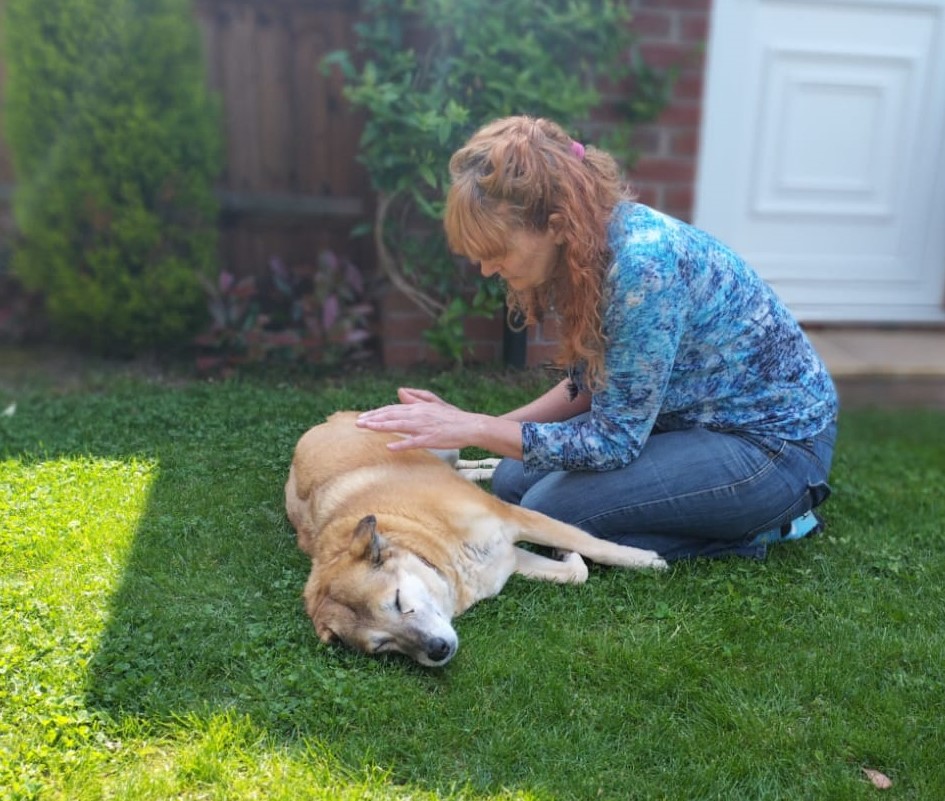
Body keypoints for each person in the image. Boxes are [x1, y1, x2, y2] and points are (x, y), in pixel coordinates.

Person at [356, 115, 838, 561]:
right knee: (509, 481)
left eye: (496, 251)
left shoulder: (641, 268)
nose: (486, 268)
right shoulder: (590, 248)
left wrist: (479, 429)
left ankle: (763, 527)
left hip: (772, 447)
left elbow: (613, 443)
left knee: (550, 514)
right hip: (685, 424)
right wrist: (476, 424)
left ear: (555, 225)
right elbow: (591, 385)